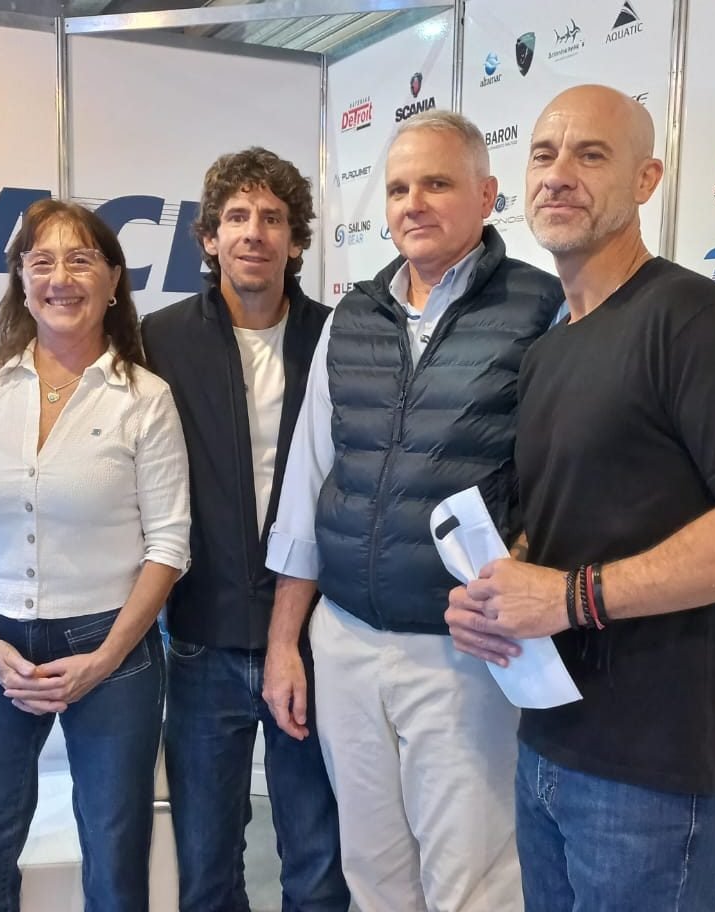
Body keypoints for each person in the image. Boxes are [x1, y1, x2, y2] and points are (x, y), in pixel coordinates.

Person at [445, 84, 715, 911]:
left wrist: (570, 596)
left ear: (647, 179)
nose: (558, 175)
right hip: (549, 742)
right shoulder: (551, 351)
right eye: (544, 154)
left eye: (592, 155)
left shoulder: (693, 319)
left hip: (657, 774)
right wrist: (496, 592)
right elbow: (559, 532)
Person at [264, 111, 564, 911]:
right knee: (372, 872)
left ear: (487, 194)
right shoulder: (353, 317)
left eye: (437, 182)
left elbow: (563, 475)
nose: (414, 203)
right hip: (348, 640)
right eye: (399, 187)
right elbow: (306, 484)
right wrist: (284, 644)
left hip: (461, 654)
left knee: (470, 881)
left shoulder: (543, 309)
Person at [0, 199, 190, 912]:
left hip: (113, 651)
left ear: (113, 282)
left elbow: (168, 544)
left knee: (114, 853)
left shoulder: (146, 399)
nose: (61, 278)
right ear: (19, 278)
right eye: (41, 261)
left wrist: (102, 659)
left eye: (81, 260)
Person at [141, 148, 348, 912]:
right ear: (207, 236)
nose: (252, 232)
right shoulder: (157, 340)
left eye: (272, 218)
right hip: (200, 642)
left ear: (297, 241)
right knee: (205, 865)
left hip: (314, 642)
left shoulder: (340, 338)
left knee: (318, 861)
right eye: (235, 217)